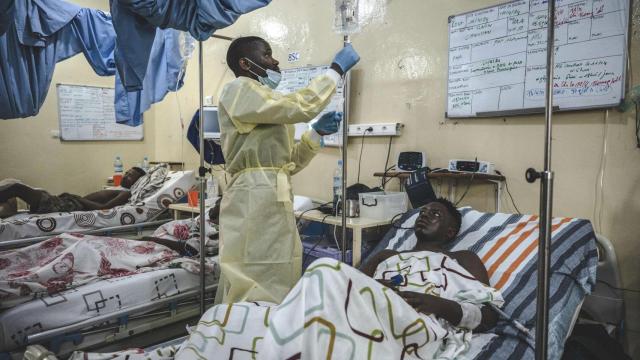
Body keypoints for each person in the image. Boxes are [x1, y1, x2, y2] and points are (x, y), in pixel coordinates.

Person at [216, 36, 360, 304]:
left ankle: (271, 333)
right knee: (250, 273)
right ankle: (243, 334)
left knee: (278, 272)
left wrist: (316, 133)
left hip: (273, 195)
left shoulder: (264, 103)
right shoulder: (238, 90)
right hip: (252, 199)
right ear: (245, 64)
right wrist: (335, 71)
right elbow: (302, 106)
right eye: (267, 54)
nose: (275, 60)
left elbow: (286, 164)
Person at [360, 198, 498, 331]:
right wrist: (373, 288)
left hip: (417, 326)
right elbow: (349, 285)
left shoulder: (463, 258)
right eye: (422, 212)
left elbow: (489, 316)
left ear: (449, 232)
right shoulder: (386, 255)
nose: (424, 215)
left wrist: (438, 305)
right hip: (369, 314)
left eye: (435, 214)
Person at [0, 167, 146, 218]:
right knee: (11, 187)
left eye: (130, 175)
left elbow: (104, 209)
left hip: (71, 205)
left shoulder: (126, 194)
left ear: (138, 181)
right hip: (68, 202)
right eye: (126, 172)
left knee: (16, 187)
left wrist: (76, 198)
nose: (126, 175)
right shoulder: (117, 189)